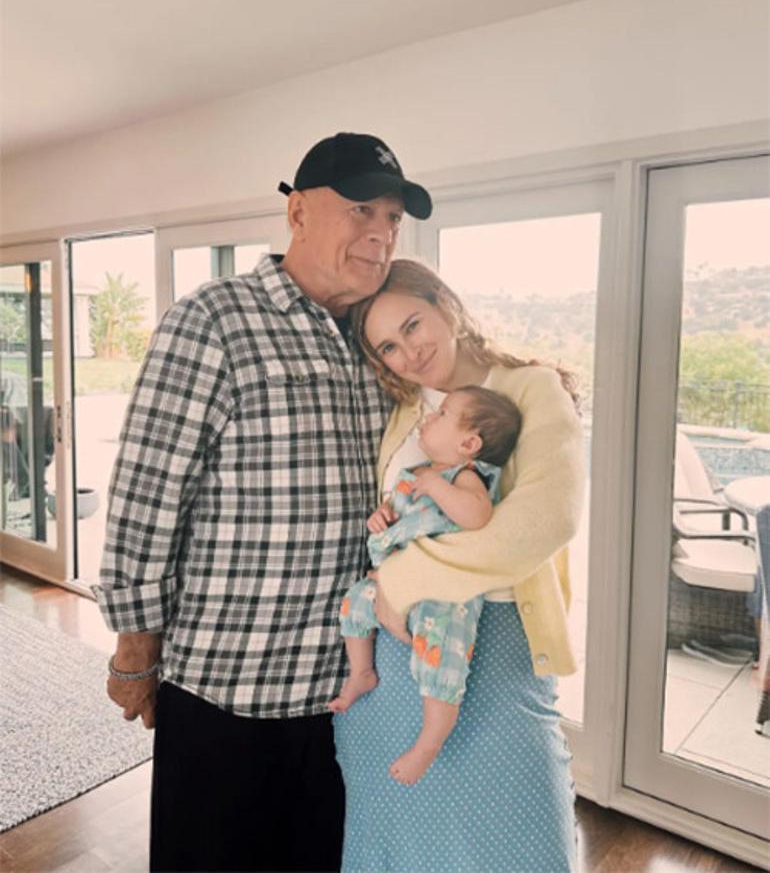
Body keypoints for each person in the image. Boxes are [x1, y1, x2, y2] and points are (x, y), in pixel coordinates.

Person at [93, 132, 432, 873]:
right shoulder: (214, 318)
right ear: (298, 211)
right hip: (232, 688)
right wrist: (135, 649)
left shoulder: (378, 337)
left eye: (393, 218)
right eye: (361, 209)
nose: (381, 233)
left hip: (349, 695)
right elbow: (149, 492)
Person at [333, 258, 586, 872]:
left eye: (412, 326)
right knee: (397, 837)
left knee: (515, 838)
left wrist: (398, 581)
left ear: (444, 304)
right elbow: (401, 509)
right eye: (388, 347)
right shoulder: (404, 412)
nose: (409, 353)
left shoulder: (528, 389)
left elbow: (541, 523)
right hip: (390, 659)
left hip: (493, 645)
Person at [330, 385, 521, 785]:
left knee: (442, 657)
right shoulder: (417, 472)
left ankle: (429, 742)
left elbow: (477, 516)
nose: (430, 417)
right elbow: (399, 510)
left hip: (444, 592)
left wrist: (438, 486)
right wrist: (382, 515)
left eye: (442, 414)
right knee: (354, 602)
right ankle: (362, 671)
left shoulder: (465, 476)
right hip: (395, 579)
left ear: (469, 444)